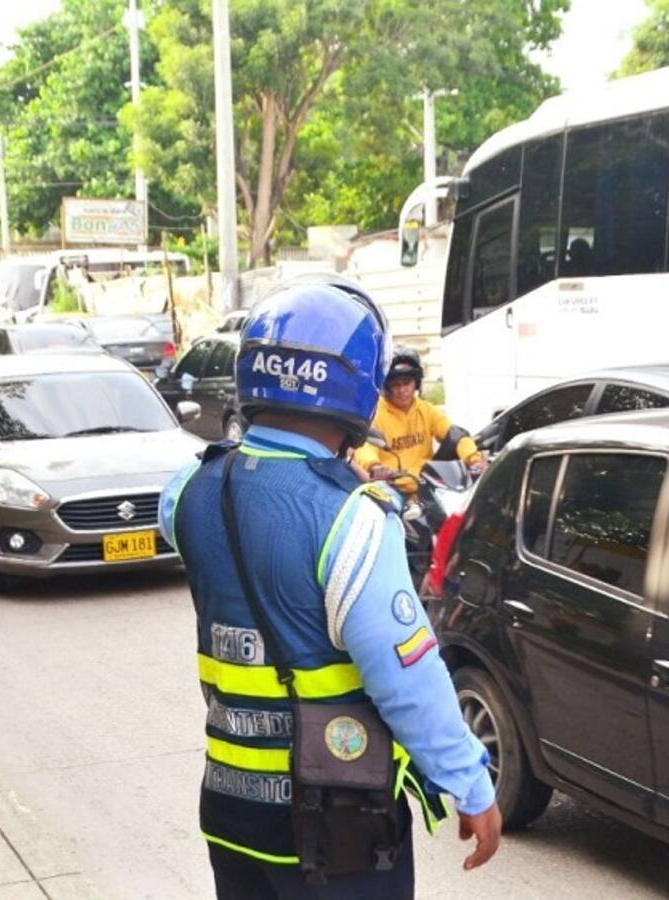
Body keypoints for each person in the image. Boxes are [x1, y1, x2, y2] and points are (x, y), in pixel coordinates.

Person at [159, 281, 501, 899]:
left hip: (231, 812)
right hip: (334, 826)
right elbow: (409, 682)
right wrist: (470, 786)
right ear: (354, 389)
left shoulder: (188, 492)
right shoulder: (352, 522)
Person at [352, 346, 485, 490]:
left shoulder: (426, 410)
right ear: (386, 387)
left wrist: (474, 460)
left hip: (426, 486)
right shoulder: (376, 413)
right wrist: (374, 466)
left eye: (407, 383)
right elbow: (365, 447)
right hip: (392, 488)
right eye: (395, 385)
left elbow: (456, 435)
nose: (402, 390)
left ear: (416, 383)